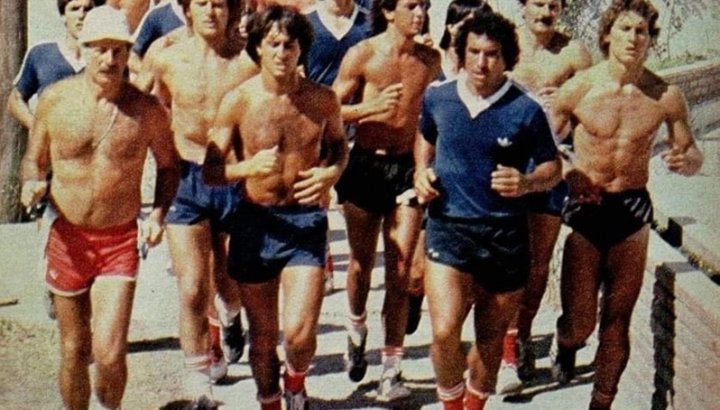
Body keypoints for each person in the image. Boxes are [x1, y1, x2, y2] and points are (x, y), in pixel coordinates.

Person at [19, 6, 179, 409]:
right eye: (101, 50)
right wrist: (31, 184)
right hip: (67, 237)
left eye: (118, 51)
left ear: (128, 54)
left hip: (118, 239)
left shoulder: (145, 110)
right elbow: (33, 159)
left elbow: (169, 166)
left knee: (109, 353)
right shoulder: (56, 100)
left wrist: (158, 215)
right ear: (85, 49)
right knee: (75, 349)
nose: (110, 60)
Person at [549, 1, 702, 409]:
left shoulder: (665, 96)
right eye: (625, 29)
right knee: (580, 323)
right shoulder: (580, 87)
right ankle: (565, 345)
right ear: (607, 35)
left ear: (651, 40)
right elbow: (542, 145)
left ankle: (602, 401)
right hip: (586, 208)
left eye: (642, 32)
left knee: (617, 320)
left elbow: (691, 152)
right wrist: (567, 170)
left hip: (632, 210)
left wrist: (687, 161)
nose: (634, 38)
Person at [203, 6, 348, 409]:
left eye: (290, 44)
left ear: (301, 49)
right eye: (273, 44)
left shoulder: (322, 100)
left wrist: (330, 174)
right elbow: (212, 171)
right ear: (258, 49)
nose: (283, 52)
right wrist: (248, 167)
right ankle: (269, 401)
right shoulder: (238, 101)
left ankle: (296, 382)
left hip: (304, 221)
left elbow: (339, 146)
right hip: (254, 221)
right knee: (263, 338)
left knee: (300, 335)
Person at [415, 10, 561, 409]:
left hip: (504, 235)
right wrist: (420, 172)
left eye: (492, 54)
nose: (481, 63)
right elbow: (425, 138)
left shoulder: (526, 108)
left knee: (490, 340)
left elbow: (553, 168)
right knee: (444, 331)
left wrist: (528, 182)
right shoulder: (438, 96)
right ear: (461, 54)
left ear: (507, 57)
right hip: (449, 228)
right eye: (474, 52)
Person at [137, 0, 259, 405]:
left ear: (233, 9)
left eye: (219, 4)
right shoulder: (165, 55)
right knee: (192, 287)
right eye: (201, 3)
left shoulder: (249, 58)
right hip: (185, 178)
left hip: (235, 177)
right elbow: (137, 109)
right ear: (187, 9)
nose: (211, 12)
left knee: (229, 278)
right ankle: (199, 382)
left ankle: (230, 316)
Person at [331, 0, 440, 400]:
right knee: (361, 264)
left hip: (405, 172)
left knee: (400, 270)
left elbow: (434, 115)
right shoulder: (363, 54)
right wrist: (370, 108)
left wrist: (426, 167)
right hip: (364, 167)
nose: (421, 14)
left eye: (425, 6)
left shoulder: (430, 60)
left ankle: (391, 371)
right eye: (412, 6)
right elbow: (331, 109)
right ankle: (355, 327)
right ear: (389, 12)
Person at [497, 0, 592, 393]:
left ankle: (517, 342)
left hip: (550, 166)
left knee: (537, 265)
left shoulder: (574, 53)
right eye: (538, 3)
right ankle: (500, 342)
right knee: (503, 261)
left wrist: (569, 102)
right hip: (505, 165)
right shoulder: (504, 43)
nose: (547, 11)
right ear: (523, 6)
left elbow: (596, 107)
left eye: (554, 4)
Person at [303, 0, 371, 294]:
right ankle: (323, 262)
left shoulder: (369, 23)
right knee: (317, 196)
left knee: (355, 206)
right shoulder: (306, 23)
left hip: (363, 123)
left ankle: (359, 273)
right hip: (316, 125)